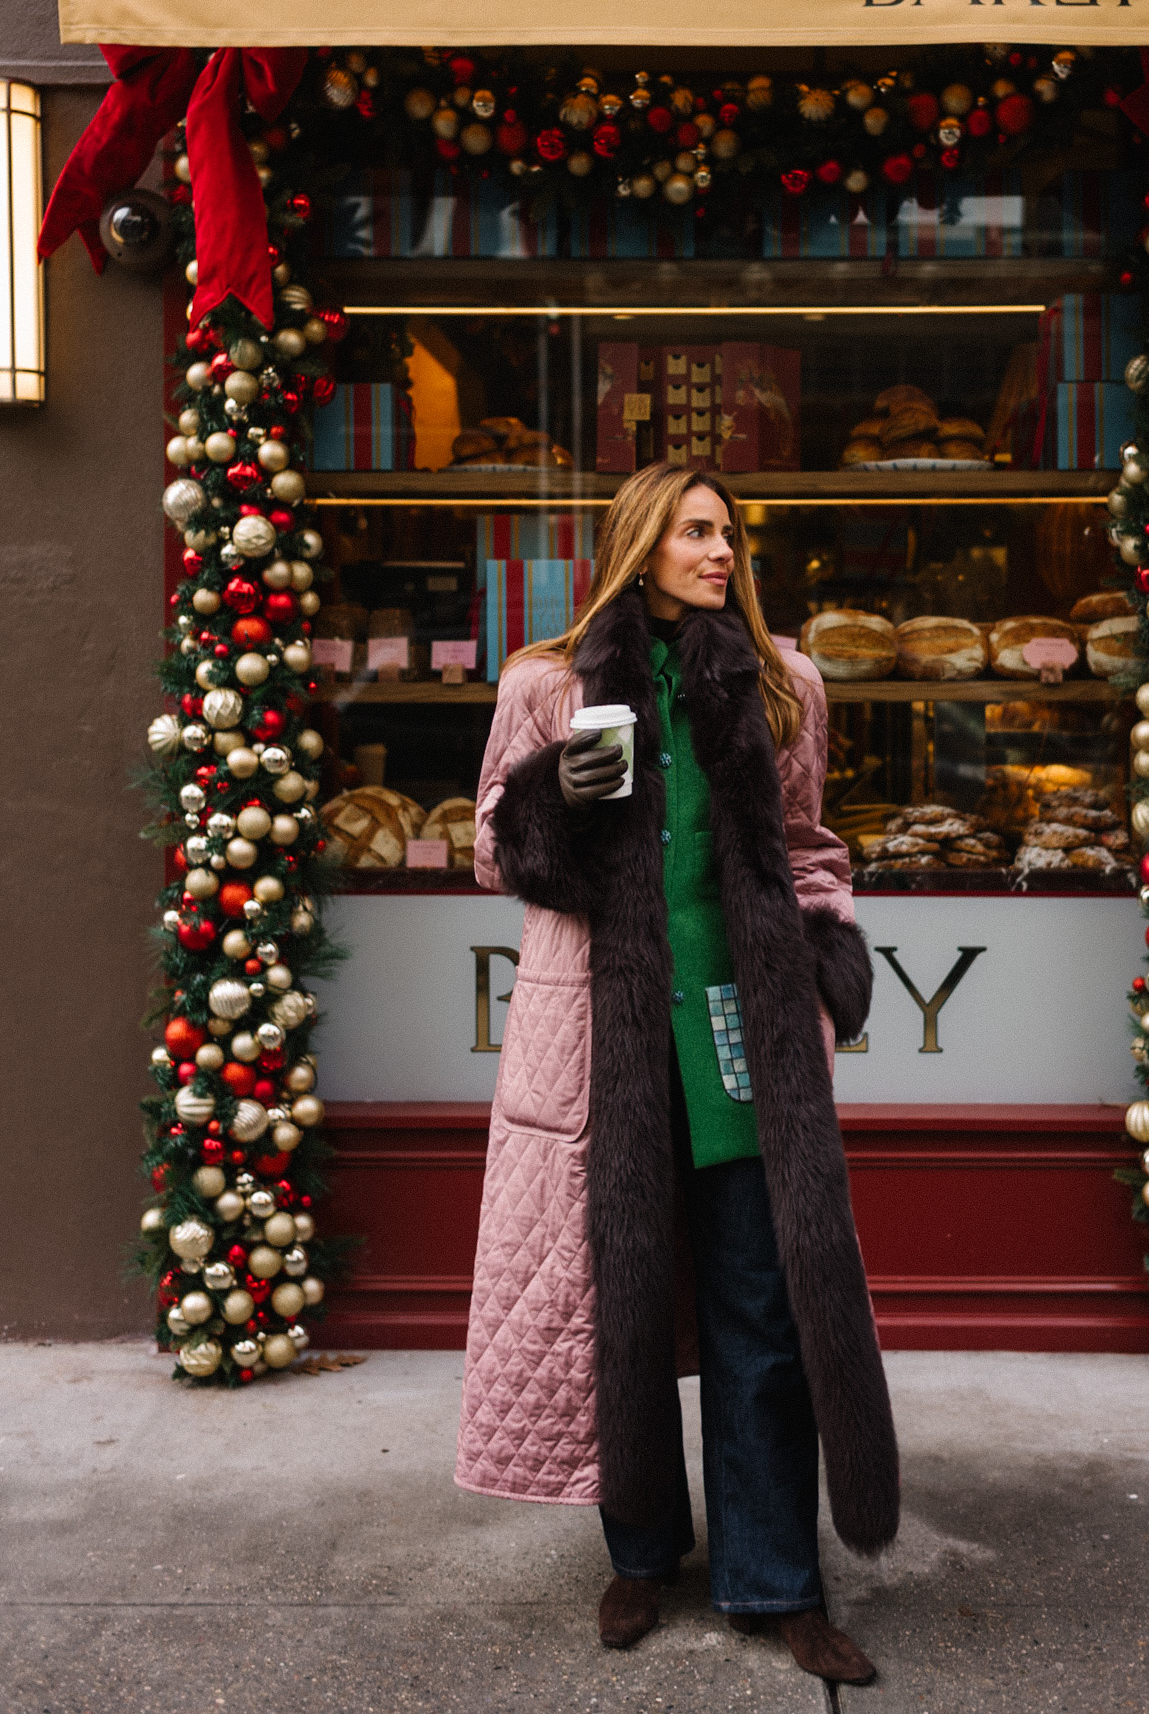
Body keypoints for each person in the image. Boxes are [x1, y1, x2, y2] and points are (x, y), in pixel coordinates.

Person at [455, 461, 898, 1686]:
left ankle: (775, 1580)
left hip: (742, 1040)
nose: (723, 552)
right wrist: (557, 797)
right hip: (604, 1044)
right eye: (699, 531)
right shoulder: (545, 682)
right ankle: (642, 1552)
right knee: (622, 1309)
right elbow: (493, 845)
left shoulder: (779, 681)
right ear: (639, 542)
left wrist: (824, 956)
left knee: (763, 1313)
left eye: (732, 533)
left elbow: (809, 850)